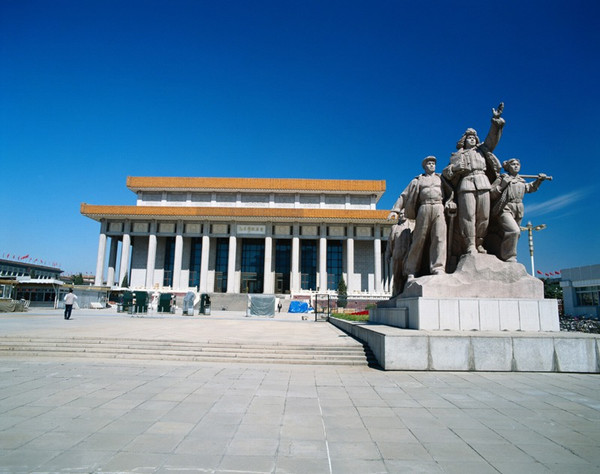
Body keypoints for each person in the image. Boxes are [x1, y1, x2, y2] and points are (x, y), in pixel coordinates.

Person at [442, 103, 505, 256]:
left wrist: (495, 121)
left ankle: (480, 243)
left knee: (484, 216)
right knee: (468, 216)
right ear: (464, 140)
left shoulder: (482, 150)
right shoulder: (457, 155)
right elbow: (446, 173)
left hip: (483, 182)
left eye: (473, 137)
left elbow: (492, 139)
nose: (471, 139)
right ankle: (470, 245)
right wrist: (456, 168)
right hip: (466, 184)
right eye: (468, 138)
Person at [388, 156, 455, 280]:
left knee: (439, 237)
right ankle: (411, 270)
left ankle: (438, 267)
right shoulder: (418, 180)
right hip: (424, 208)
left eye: (433, 163)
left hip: (438, 207)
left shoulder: (441, 179)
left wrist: (451, 202)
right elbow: (404, 195)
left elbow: (452, 192)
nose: (432, 165)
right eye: (429, 163)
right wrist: (395, 210)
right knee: (418, 239)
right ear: (424, 166)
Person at [488, 158, 548, 261]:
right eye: (513, 164)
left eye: (517, 164)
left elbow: (530, 188)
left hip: (519, 208)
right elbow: (491, 193)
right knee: (514, 231)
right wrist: (503, 185)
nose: (516, 166)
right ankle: (509, 257)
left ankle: (501, 254)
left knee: (516, 234)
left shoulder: (521, 180)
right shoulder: (503, 178)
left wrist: (539, 181)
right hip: (505, 207)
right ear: (508, 167)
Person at [385, 209, 414, 296]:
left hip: (408, 254)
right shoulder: (395, 227)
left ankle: (406, 293)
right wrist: (388, 254)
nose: (402, 215)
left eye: (404, 213)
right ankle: (396, 294)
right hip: (397, 254)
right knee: (397, 275)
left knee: (407, 274)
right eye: (401, 214)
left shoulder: (412, 226)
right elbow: (390, 242)